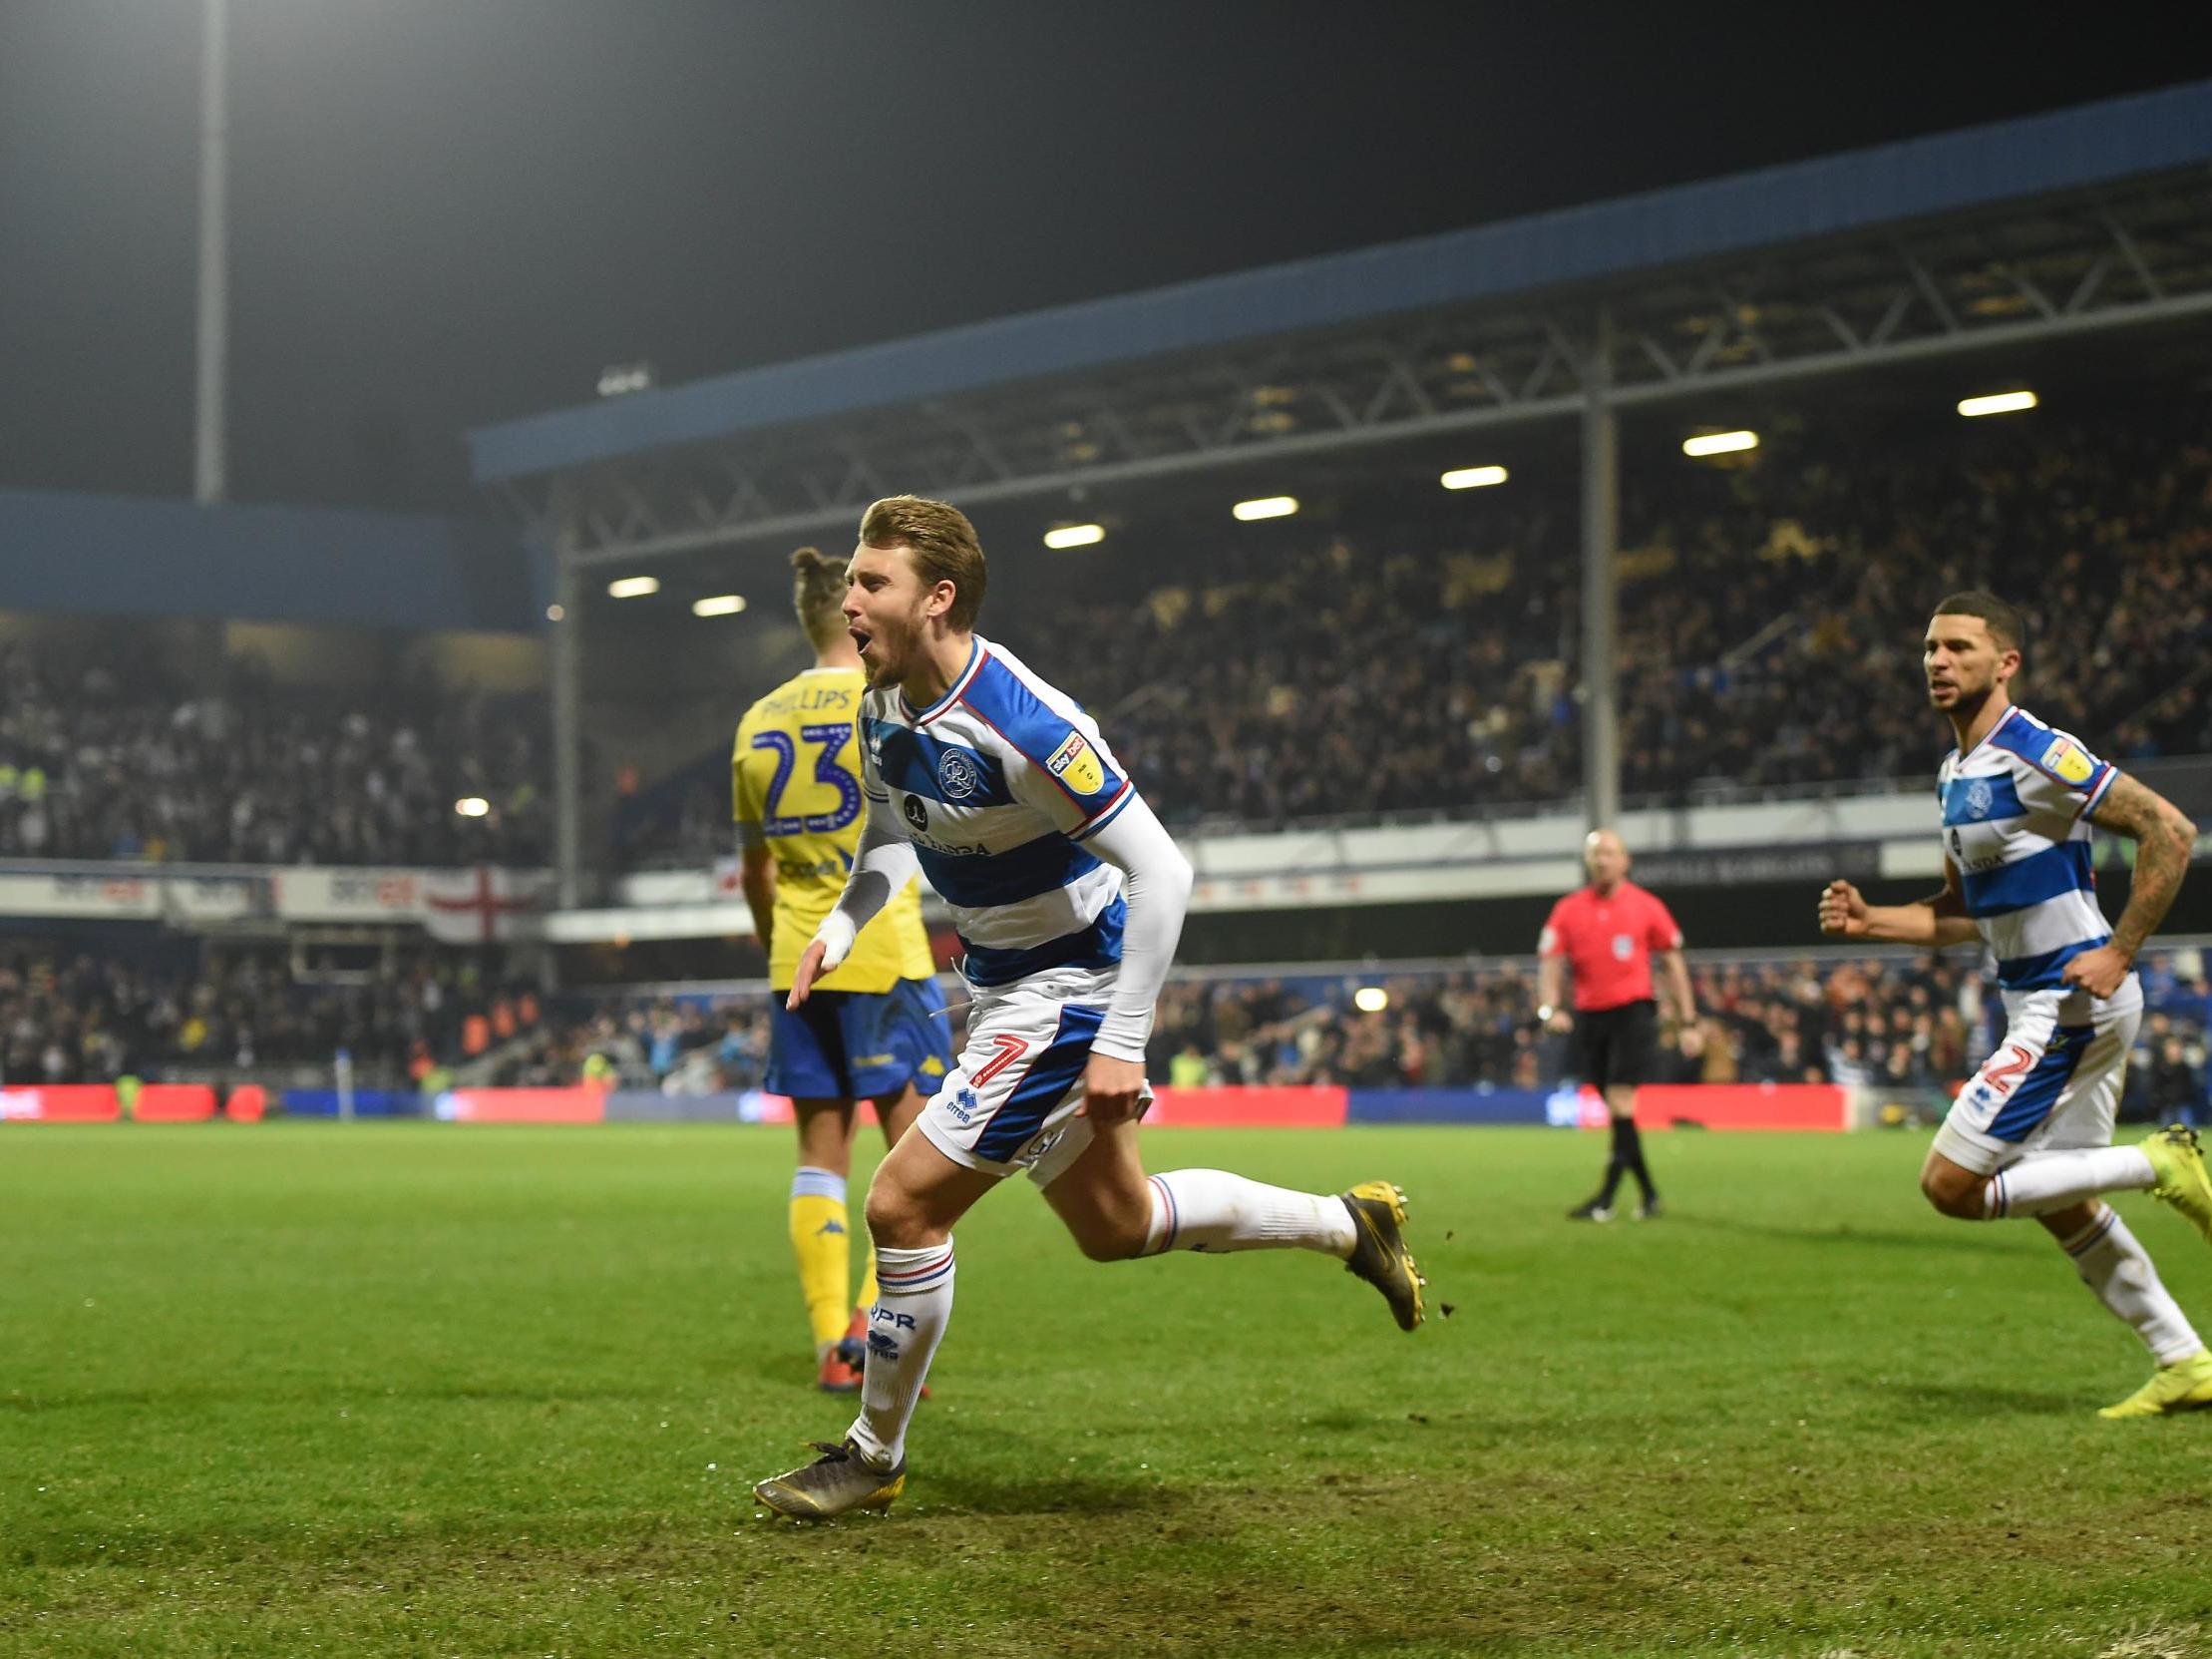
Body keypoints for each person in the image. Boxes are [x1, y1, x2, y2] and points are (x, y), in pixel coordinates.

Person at [752, 496, 1425, 1519]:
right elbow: (892, 842)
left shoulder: (1022, 724)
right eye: (849, 580)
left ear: (936, 599)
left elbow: (1164, 869)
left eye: (869, 582)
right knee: (1117, 1224)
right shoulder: (881, 701)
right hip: (1004, 987)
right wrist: (841, 928)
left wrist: (1120, 1038)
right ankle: (1349, 1223)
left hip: (1072, 988)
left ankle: (872, 1452)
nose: (847, 602)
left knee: (899, 1203)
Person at [1819, 590, 2212, 1419]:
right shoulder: (1955, 772)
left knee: (1952, 1184)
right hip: (2038, 1001)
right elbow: (1963, 914)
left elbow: (2169, 829)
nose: (1937, 660)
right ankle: (2184, 1361)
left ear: (2006, 663)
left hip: (2071, 1003)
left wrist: (2121, 948)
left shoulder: (2038, 751)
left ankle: (2161, 1162)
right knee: (2062, 1199)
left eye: (1959, 646)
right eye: (1930, 647)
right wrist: (1872, 920)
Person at [733, 548, 955, 1394]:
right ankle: (884, 1337)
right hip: (884, 953)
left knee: (820, 1156)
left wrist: (777, 949)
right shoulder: (892, 703)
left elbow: (755, 871)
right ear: (856, 609)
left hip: (797, 957)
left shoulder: (757, 720)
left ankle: (834, 1339)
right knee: (921, 1165)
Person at [1537, 829, 1698, 1221]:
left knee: (1622, 1100)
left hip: (1633, 1012)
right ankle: (1648, 1195)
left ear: (1626, 860)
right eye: (1595, 854)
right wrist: (1549, 1007)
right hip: (1590, 1016)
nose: (1602, 860)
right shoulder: (1569, 909)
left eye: (1609, 853)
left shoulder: (1646, 906)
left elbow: (1673, 963)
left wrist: (1688, 1019)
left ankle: (1606, 1197)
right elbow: (1550, 960)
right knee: (1617, 1108)